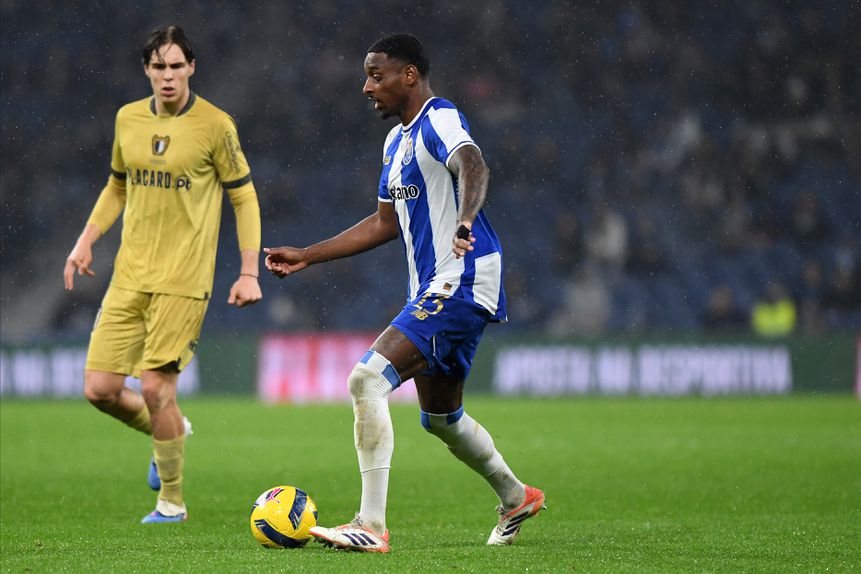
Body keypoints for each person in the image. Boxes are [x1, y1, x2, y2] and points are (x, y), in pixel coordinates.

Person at [265, 33, 544, 553]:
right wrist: (309, 254)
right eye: (366, 76)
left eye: (377, 75)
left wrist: (465, 218)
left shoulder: (439, 118)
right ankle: (516, 496)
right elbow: (383, 223)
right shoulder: (395, 143)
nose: (367, 87)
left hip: (461, 277)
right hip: (436, 284)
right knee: (440, 418)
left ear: (409, 75)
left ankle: (370, 525)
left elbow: (473, 164)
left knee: (366, 379)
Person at [63, 26, 262, 524]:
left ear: (191, 67)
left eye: (176, 66)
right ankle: (171, 431)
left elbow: (243, 196)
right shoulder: (127, 118)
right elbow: (117, 186)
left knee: (155, 389)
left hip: (184, 281)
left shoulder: (215, 124)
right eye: (159, 66)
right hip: (129, 275)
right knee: (100, 390)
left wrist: (248, 271)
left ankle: (172, 503)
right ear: (146, 70)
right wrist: (87, 239)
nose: (168, 75)